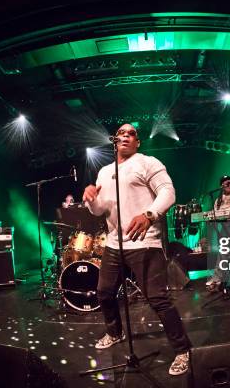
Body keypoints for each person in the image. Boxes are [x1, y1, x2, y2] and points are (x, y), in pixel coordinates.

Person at [82, 124, 191, 376]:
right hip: (113, 243)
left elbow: (168, 192)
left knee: (158, 299)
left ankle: (182, 349)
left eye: (131, 133)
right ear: (114, 140)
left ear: (137, 142)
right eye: (122, 132)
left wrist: (150, 214)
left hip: (145, 242)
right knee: (104, 292)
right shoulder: (105, 171)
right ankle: (115, 332)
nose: (125, 136)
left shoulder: (147, 162)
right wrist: (91, 199)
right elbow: (99, 211)